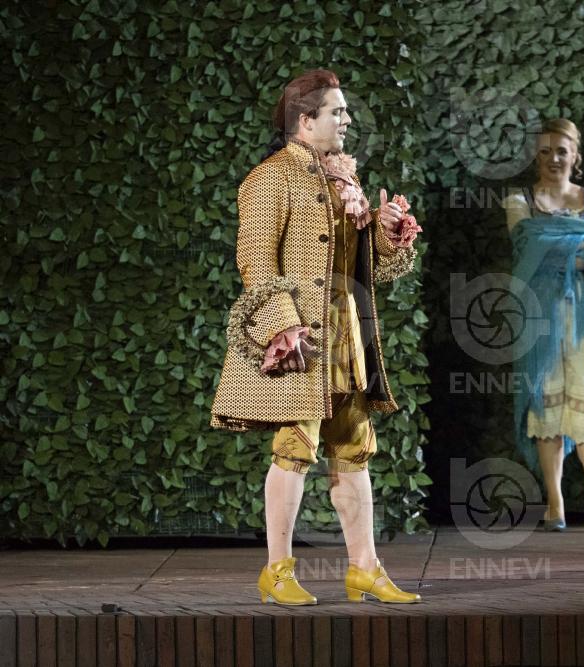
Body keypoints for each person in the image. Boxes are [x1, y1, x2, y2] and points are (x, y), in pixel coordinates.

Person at [209, 69, 423, 604]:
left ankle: (364, 568)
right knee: (295, 447)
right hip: (301, 335)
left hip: (346, 329)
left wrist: (389, 235)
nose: (346, 119)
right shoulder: (271, 178)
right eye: (336, 111)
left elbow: (369, 267)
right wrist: (282, 326)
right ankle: (277, 570)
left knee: (353, 447)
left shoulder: (342, 176)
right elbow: (256, 261)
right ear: (305, 120)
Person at [502, 118, 584, 533]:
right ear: (535, 156)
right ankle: (554, 506)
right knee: (545, 400)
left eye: (561, 151)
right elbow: (528, 253)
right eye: (545, 151)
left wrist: (557, 249)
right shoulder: (520, 199)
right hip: (539, 318)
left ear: (575, 155)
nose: (553, 159)